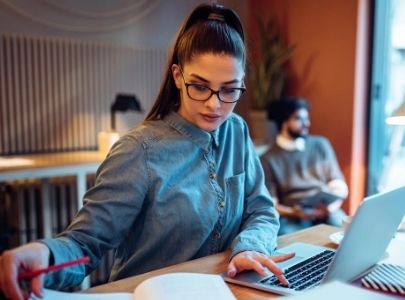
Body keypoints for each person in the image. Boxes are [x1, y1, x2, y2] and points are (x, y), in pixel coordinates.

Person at [0, 4, 294, 299]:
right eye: (200, 87)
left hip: (227, 290)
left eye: (229, 90)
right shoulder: (138, 150)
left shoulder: (236, 130)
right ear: (178, 76)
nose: (214, 105)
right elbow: (86, 243)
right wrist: (45, 254)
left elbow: (261, 210)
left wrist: (251, 247)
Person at [261, 97, 348, 235]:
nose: (307, 123)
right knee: (289, 240)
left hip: (326, 210)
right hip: (293, 217)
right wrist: (294, 213)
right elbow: (272, 204)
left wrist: (331, 207)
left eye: (306, 118)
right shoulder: (267, 158)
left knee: (346, 233)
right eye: (299, 119)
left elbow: (338, 183)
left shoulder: (320, 144)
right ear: (284, 122)